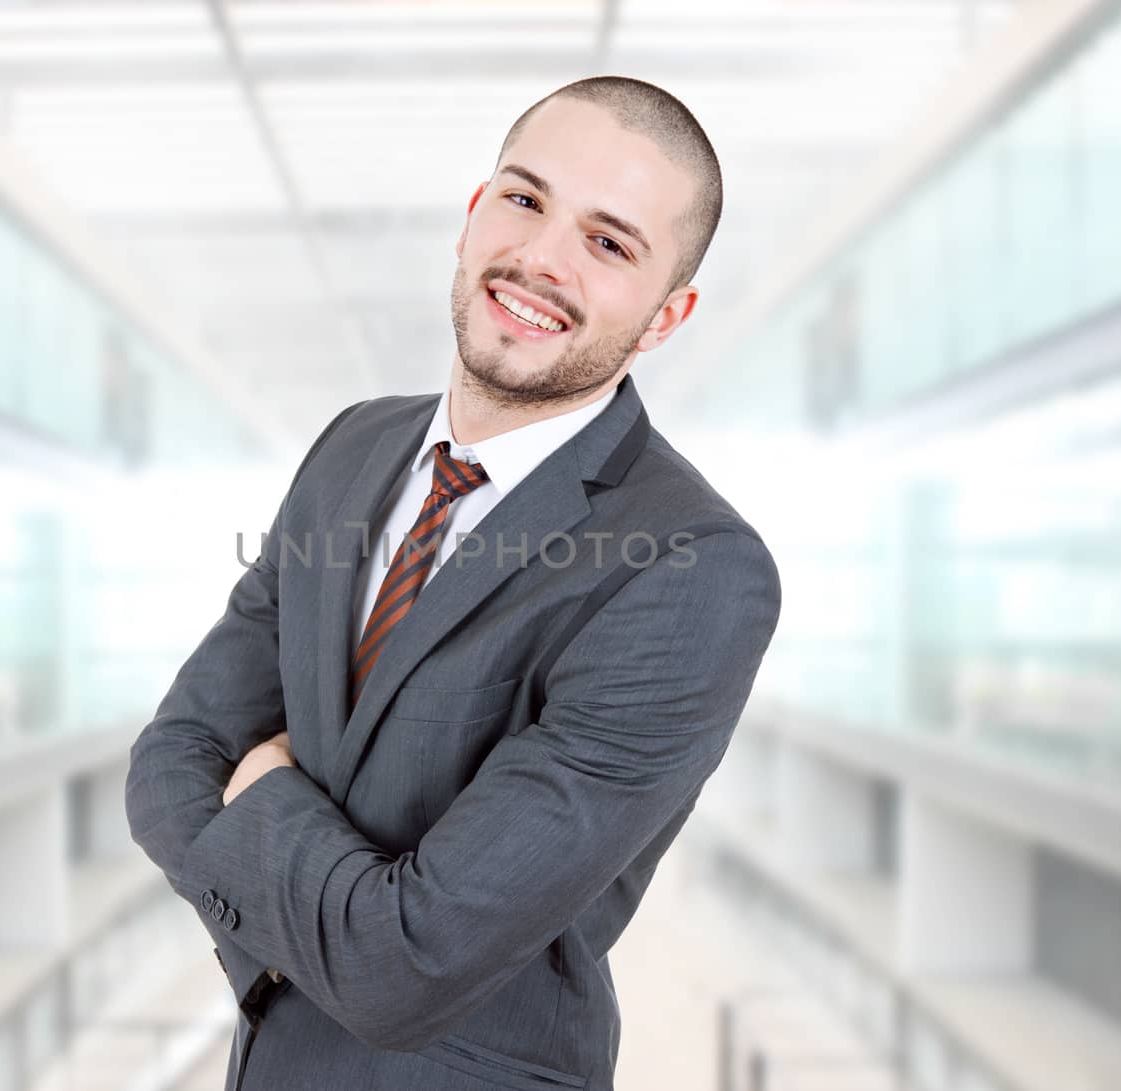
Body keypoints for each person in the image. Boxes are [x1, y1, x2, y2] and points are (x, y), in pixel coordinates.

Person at [125, 75, 782, 1091]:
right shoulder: (353, 446)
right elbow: (168, 762)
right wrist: (330, 915)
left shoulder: (691, 567)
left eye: (608, 243)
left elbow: (407, 966)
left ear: (665, 315)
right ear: (475, 213)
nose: (541, 258)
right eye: (524, 199)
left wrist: (259, 792)